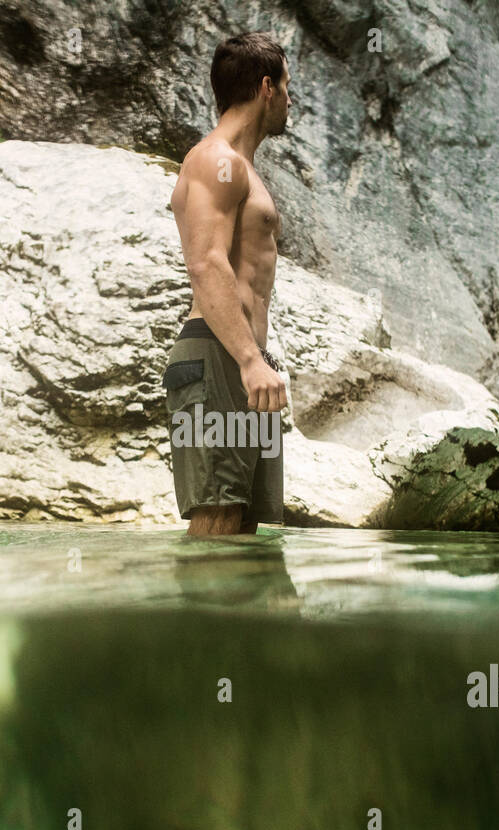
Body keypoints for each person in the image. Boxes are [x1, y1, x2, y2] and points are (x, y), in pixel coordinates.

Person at [166, 31, 292, 536]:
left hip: (245, 363)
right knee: (217, 520)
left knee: (243, 530)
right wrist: (247, 359)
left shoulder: (244, 170)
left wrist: (257, 359)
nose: (290, 100)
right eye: (286, 86)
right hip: (220, 359)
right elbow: (205, 263)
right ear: (266, 87)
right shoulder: (214, 161)